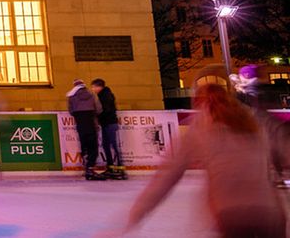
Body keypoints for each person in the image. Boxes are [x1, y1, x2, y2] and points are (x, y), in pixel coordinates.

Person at [121, 73, 287, 237]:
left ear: (198, 103)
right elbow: (283, 151)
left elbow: (165, 179)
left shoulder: (199, 129)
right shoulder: (254, 121)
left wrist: (134, 217)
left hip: (231, 213)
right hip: (269, 211)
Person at [67, 79, 104, 180]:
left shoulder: (71, 96)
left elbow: (71, 111)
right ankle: (90, 167)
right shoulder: (91, 94)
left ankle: (86, 167)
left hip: (80, 124)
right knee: (93, 146)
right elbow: (99, 109)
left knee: (85, 145)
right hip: (91, 123)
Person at [91, 78, 124, 180]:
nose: (93, 89)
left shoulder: (106, 95)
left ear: (99, 87)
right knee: (106, 145)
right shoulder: (102, 95)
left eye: (93, 87)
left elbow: (106, 110)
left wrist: (98, 115)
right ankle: (111, 167)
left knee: (113, 145)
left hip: (110, 123)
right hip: (106, 123)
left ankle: (120, 169)